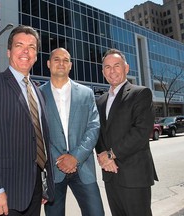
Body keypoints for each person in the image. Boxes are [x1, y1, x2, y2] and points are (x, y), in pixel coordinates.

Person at [0, 25, 54, 216]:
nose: (26, 51)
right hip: (4, 191)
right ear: (9, 52)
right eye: (19, 45)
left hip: (34, 190)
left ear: (36, 54)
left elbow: (39, 139)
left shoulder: (38, 92)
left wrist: (43, 183)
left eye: (32, 47)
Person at [40, 48, 104, 216]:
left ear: (70, 65)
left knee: (96, 213)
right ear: (48, 64)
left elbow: (94, 127)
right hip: (53, 170)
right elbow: (37, 131)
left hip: (83, 167)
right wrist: (59, 159)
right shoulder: (38, 94)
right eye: (56, 59)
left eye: (65, 60)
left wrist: (75, 157)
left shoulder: (86, 93)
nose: (61, 63)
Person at [95, 48, 158, 216]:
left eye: (117, 65)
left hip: (134, 175)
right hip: (110, 175)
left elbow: (141, 132)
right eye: (107, 67)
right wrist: (103, 156)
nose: (112, 71)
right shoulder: (100, 101)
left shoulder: (141, 93)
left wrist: (110, 154)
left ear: (126, 68)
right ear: (103, 72)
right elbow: (98, 133)